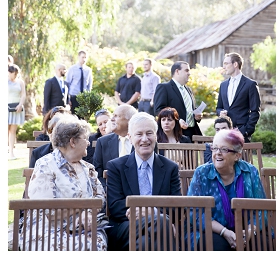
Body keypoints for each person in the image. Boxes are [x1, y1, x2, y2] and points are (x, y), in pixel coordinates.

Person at [24, 114, 109, 250]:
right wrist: (82, 210)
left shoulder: (88, 168)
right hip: (49, 228)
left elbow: (100, 198)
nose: (88, 142)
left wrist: (88, 213)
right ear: (72, 142)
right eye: (85, 139)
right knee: (67, 247)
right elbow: (46, 207)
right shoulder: (45, 164)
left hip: (85, 226)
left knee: (94, 244)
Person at [105, 113, 182, 251]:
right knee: (163, 222)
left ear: (156, 135)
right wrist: (154, 214)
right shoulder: (116, 166)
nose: (145, 139)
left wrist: (151, 212)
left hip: (157, 231)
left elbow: (177, 207)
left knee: (145, 242)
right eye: (139, 134)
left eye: (149, 133)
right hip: (125, 226)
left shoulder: (170, 168)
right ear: (130, 137)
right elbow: (115, 206)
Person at [187, 129, 265, 250]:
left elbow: (262, 209)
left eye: (224, 149)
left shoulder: (250, 172)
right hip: (211, 230)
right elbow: (194, 213)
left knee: (261, 242)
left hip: (246, 229)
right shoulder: (201, 173)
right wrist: (224, 232)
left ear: (237, 155)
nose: (217, 153)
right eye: (214, 148)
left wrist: (250, 231)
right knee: (217, 244)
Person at [215, 53, 261, 142]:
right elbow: (218, 107)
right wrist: (220, 112)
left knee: (243, 156)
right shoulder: (223, 85)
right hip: (224, 133)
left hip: (242, 133)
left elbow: (255, 111)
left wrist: (247, 130)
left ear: (235, 64)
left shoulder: (250, 84)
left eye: (226, 63)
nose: (224, 67)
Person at [154, 61, 203, 140]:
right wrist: (177, 121)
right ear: (177, 71)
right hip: (174, 133)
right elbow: (159, 110)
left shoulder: (188, 90)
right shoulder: (164, 87)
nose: (189, 73)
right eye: (186, 70)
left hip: (191, 133)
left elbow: (188, 109)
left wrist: (197, 116)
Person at [93, 104, 137, 189]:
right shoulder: (102, 142)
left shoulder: (141, 142)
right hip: (110, 191)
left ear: (130, 120)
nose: (112, 119)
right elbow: (96, 173)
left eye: (116, 116)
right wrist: (107, 190)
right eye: (112, 116)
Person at [66, 50, 93, 114]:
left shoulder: (88, 70)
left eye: (85, 57)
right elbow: (67, 84)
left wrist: (88, 97)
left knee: (83, 116)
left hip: (84, 96)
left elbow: (89, 85)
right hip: (74, 96)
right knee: (74, 115)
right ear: (78, 57)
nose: (84, 59)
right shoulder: (72, 69)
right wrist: (68, 99)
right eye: (82, 57)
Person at [8, 64, 26, 160]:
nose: (13, 76)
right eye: (12, 74)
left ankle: (11, 152)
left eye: (15, 74)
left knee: (12, 131)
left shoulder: (20, 82)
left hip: (16, 108)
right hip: (6, 107)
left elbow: (23, 95)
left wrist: (20, 104)